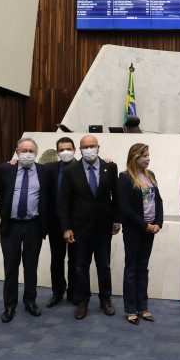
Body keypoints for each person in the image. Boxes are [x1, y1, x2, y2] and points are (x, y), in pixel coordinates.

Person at [59, 135, 121, 320]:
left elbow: (116, 196)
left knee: (104, 266)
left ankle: (105, 299)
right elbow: (63, 203)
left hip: (104, 228)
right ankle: (82, 300)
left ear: (98, 147)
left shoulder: (110, 167)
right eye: (85, 146)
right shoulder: (71, 170)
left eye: (92, 146)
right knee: (80, 267)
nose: (89, 149)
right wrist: (66, 228)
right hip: (80, 228)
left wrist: (117, 220)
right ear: (79, 149)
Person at [0, 138, 52, 323]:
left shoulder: (44, 171)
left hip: (33, 225)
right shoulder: (6, 170)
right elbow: (2, 195)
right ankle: (9, 305)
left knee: (31, 266)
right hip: (11, 225)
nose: (27, 154)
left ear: (35, 153)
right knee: (10, 267)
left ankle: (30, 301)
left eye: (31, 151)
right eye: (24, 150)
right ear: (17, 152)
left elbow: (47, 197)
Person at [117, 143, 164, 325]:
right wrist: (144, 225)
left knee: (143, 268)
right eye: (144, 155)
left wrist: (158, 223)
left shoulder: (150, 175)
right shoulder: (125, 177)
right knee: (131, 269)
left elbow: (158, 201)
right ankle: (130, 309)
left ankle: (143, 307)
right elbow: (125, 208)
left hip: (150, 229)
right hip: (134, 230)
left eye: (148, 155)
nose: (148, 158)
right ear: (134, 157)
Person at [43, 137, 78, 307]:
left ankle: (73, 293)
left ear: (75, 150)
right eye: (62, 149)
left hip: (77, 223)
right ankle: (57, 292)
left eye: (68, 149)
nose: (65, 152)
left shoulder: (82, 168)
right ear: (57, 152)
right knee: (57, 259)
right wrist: (14, 161)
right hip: (55, 223)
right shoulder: (49, 168)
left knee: (75, 259)